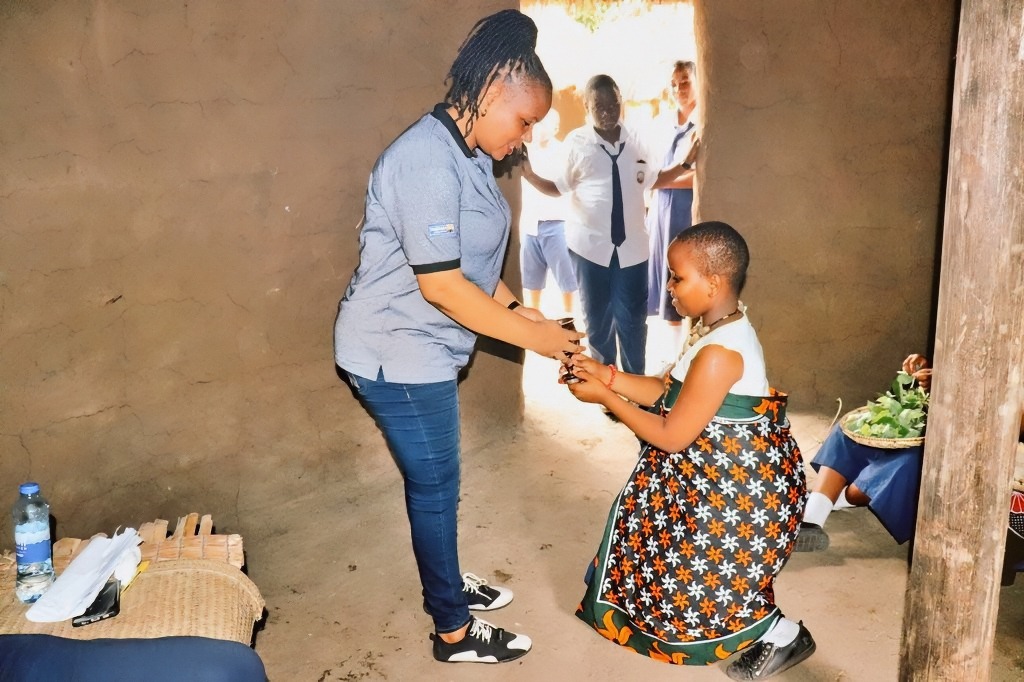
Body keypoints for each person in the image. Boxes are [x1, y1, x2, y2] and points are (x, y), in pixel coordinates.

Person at [333, 9, 582, 665]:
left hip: (422, 346)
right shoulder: (424, 158)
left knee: (438, 482)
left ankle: (446, 575)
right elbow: (441, 287)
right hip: (394, 350)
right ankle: (453, 631)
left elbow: (473, 271)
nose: (526, 137)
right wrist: (540, 343)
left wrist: (528, 316)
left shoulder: (468, 152)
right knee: (436, 484)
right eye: (525, 121)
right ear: (495, 89)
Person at [565, 221, 815, 679]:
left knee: (700, 588)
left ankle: (781, 634)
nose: (670, 287)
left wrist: (607, 401)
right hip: (716, 477)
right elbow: (666, 389)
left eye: (677, 277)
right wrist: (608, 376)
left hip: (743, 496)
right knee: (650, 539)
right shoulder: (712, 328)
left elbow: (672, 435)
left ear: (714, 282)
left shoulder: (721, 353)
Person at [796, 356, 1024, 585]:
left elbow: (1015, 421)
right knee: (855, 431)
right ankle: (811, 521)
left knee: (906, 464)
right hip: (967, 420)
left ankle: (830, 500)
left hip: (996, 444)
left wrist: (956, 386)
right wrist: (932, 375)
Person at [522, 75, 691, 379]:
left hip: (633, 249)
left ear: (620, 102)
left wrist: (687, 165)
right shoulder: (577, 143)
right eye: (599, 105)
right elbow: (558, 187)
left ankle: (635, 382)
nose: (607, 110)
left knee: (634, 320)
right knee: (598, 321)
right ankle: (606, 385)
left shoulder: (638, 140)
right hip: (589, 249)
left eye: (612, 103)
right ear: (587, 106)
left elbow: (654, 180)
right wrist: (529, 174)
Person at [647, 61, 700, 359]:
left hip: (683, 210)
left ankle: (685, 354)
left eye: (685, 82)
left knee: (685, 274)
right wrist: (658, 182)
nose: (679, 89)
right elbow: (653, 171)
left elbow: (701, 175)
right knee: (665, 279)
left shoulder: (703, 123)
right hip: (661, 212)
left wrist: (661, 183)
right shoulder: (665, 124)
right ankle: (670, 354)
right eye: (674, 83)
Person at [519, 109, 577, 313]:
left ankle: (569, 318)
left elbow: (560, 189)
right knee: (531, 283)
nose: (540, 128)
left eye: (545, 123)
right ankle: (533, 319)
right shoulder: (524, 151)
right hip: (530, 225)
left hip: (557, 223)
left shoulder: (563, 152)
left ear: (556, 127)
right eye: (537, 123)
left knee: (567, 281)